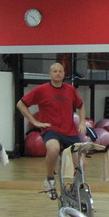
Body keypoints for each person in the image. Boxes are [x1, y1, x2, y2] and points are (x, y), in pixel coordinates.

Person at [16, 62, 86, 198]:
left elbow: (81, 105)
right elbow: (21, 104)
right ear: (50, 74)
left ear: (64, 74)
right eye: (55, 71)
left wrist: (82, 122)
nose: (58, 73)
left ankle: (74, 188)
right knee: (53, 149)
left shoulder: (70, 89)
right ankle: (49, 179)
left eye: (60, 71)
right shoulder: (41, 90)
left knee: (82, 163)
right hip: (51, 129)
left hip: (70, 131)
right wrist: (34, 121)